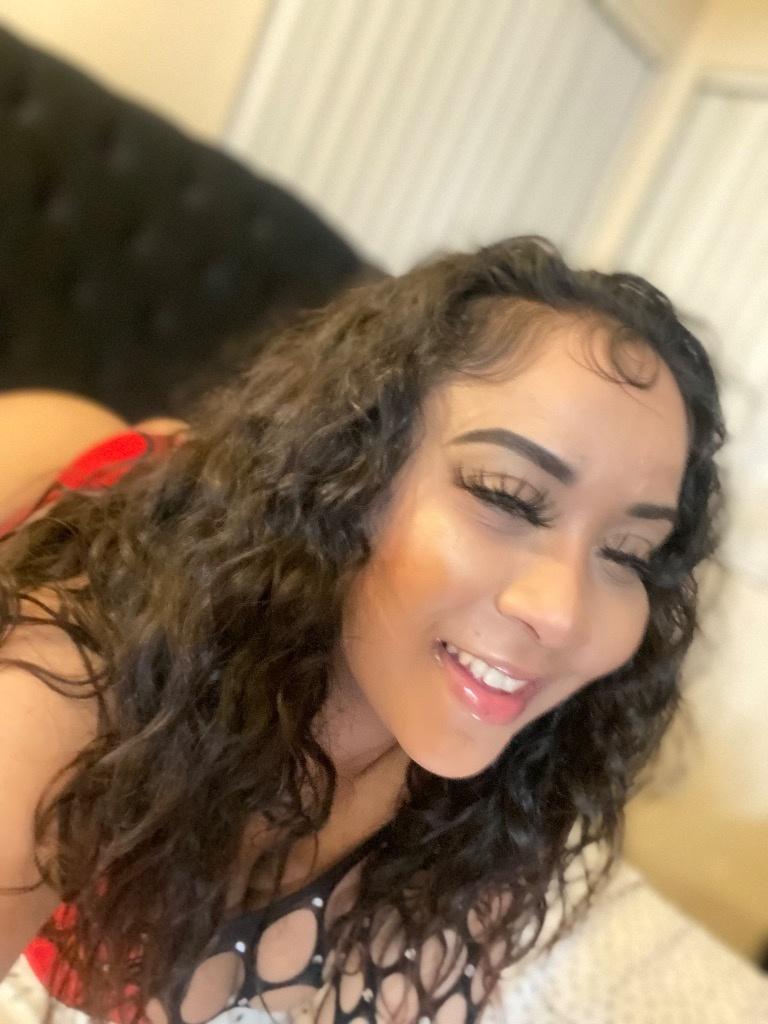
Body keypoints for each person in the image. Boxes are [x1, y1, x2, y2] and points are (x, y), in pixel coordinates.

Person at [0, 237, 724, 1024]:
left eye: (627, 553)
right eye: (507, 496)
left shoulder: (497, 810)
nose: (562, 613)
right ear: (348, 470)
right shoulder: (94, 660)